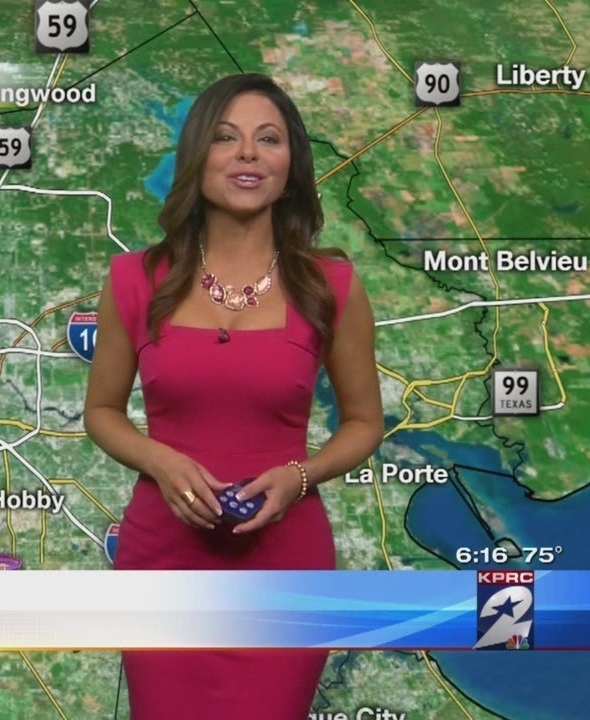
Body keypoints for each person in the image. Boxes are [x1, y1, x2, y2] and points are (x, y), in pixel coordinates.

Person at [83, 73, 385, 719]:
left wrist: (300, 477)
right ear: (199, 156)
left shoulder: (331, 286)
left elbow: (364, 422)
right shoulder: (135, 279)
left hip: (286, 570)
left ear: (290, 165)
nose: (248, 153)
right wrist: (161, 461)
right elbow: (101, 411)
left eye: (268, 139)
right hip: (162, 565)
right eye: (226, 137)